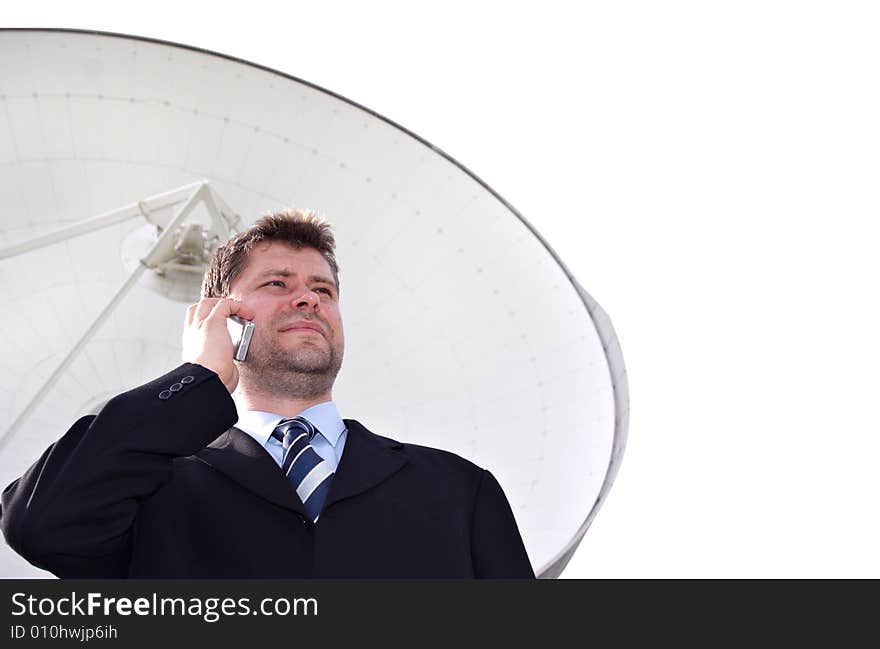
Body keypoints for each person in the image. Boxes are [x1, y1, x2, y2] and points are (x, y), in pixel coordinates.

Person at [0, 210, 535, 578]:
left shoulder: (458, 491)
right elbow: (42, 524)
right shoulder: (150, 489)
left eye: (322, 289)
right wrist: (201, 376)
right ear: (221, 315)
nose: (307, 299)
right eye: (277, 283)